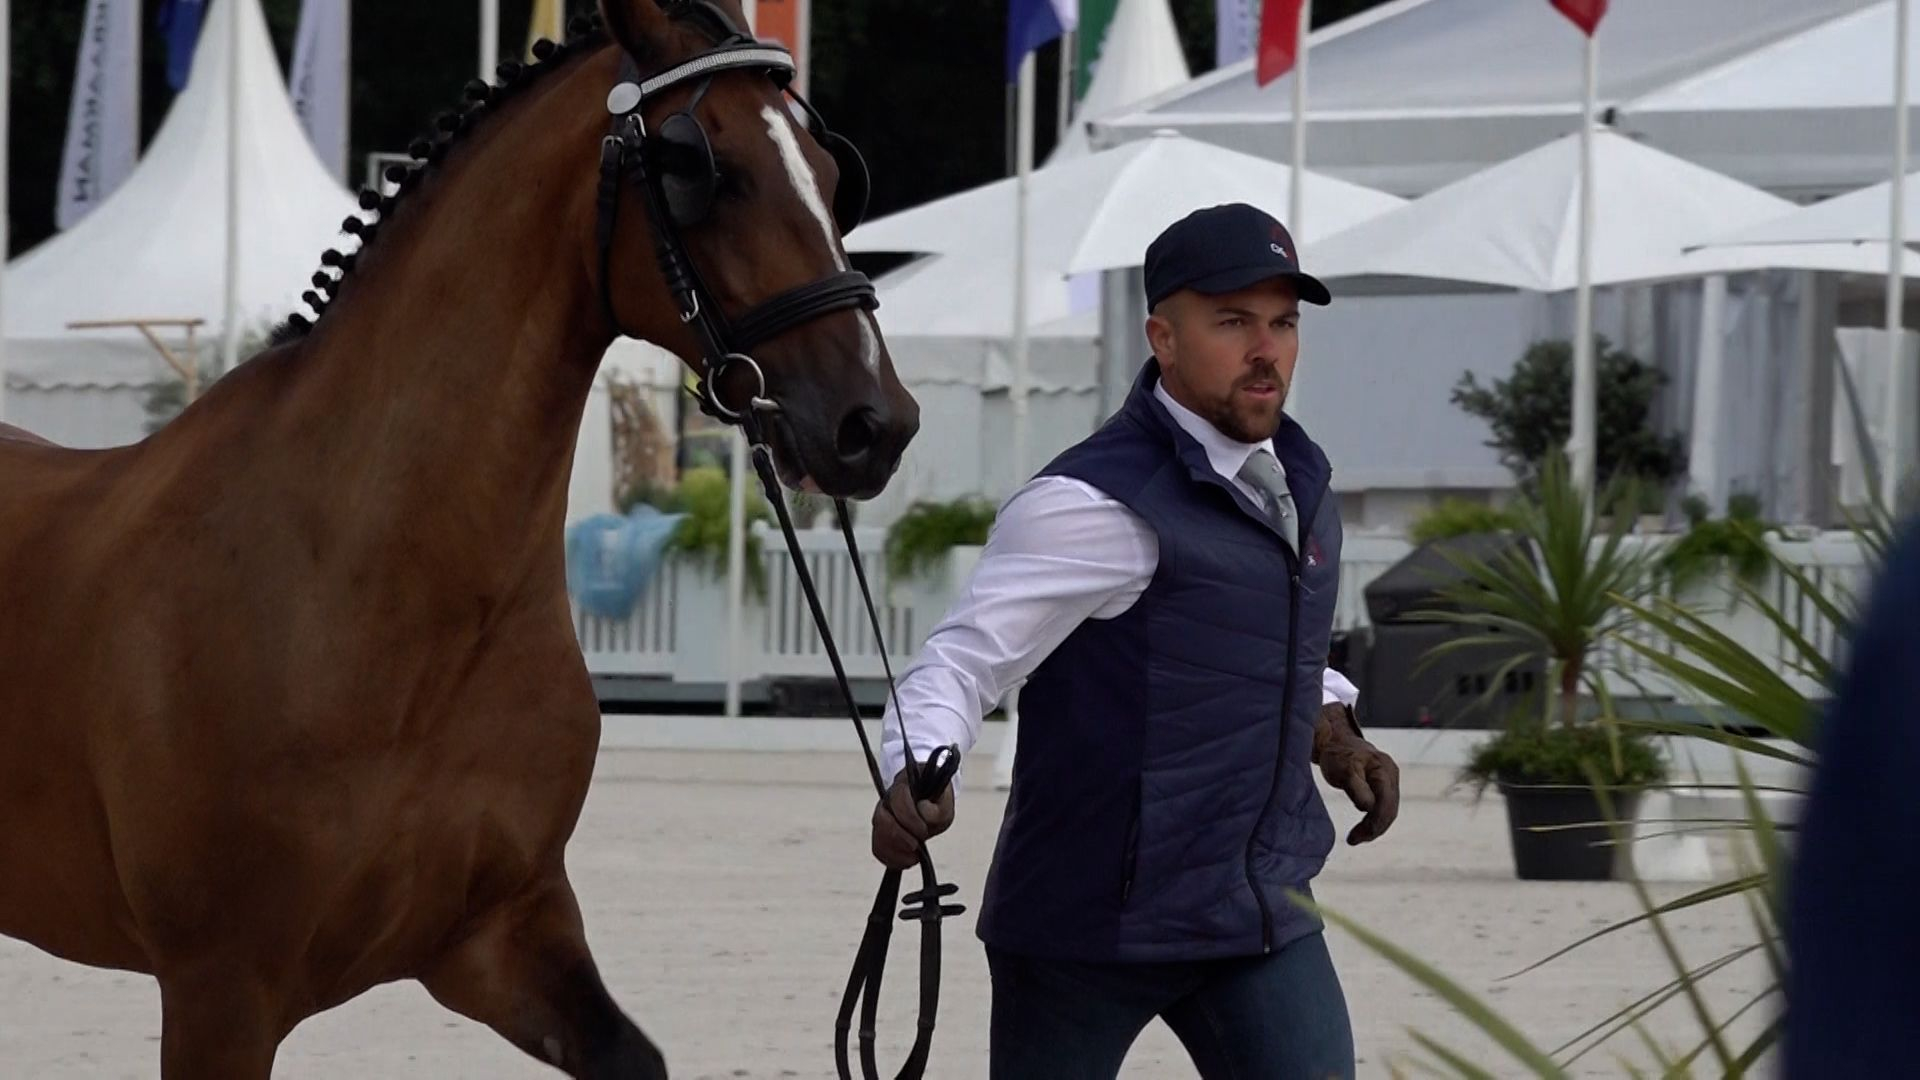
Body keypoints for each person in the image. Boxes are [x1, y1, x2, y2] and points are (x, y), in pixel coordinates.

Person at [870, 203, 1400, 1079]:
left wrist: (1337, 733)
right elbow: (962, 664)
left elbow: (1275, 645)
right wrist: (915, 770)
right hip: (1084, 930)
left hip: (1256, 913)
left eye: (1283, 323)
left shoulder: (1300, 477)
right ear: (1163, 337)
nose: (1266, 349)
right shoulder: (1087, 503)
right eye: (1232, 322)